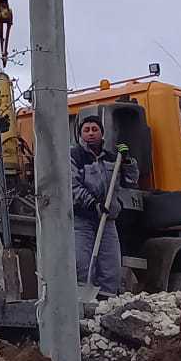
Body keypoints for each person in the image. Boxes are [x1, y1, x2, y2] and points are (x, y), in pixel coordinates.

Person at [70, 109, 139, 298]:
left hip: (108, 219)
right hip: (83, 219)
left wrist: (127, 161)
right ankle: (84, 303)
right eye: (86, 130)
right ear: (80, 135)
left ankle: (107, 303)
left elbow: (131, 180)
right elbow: (72, 186)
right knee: (83, 264)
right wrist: (93, 204)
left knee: (111, 267)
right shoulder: (74, 157)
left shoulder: (111, 158)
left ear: (102, 133)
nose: (91, 133)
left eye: (94, 129)